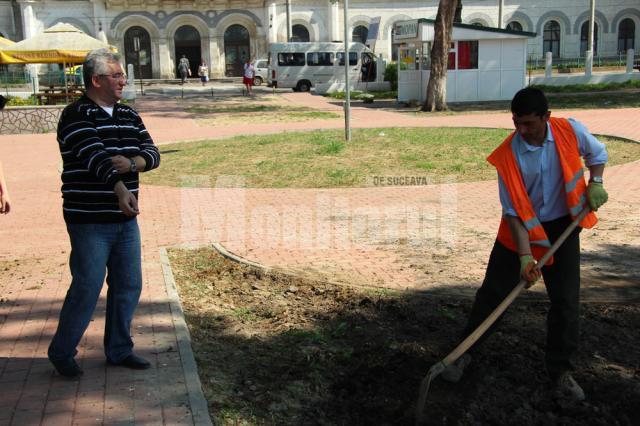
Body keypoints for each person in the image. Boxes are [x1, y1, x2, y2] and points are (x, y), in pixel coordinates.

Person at [442, 87, 608, 402]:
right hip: (519, 231)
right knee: (493, 295)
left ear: (546, 116)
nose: (521, 130)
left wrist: (595, 182)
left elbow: (597, 155)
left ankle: (560, 374)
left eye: (529, 123)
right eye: (516, 122)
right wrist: (524, 257)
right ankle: (463, 353)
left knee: (565, 303)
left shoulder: (569, 130)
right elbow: (514, 213)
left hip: (563, 228)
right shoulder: (509, 154)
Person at [48, 48, 161, 377]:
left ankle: (119, 349)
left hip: (126, 221)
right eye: (117, 75)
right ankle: (62, 351)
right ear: (95, 80)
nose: (123, 81)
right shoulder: (76, 115)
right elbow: (95, 157)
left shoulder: (128, 115)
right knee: (87, 286)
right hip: (90, 220)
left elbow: (152, 152)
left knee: (128, 285)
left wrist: (134, 163)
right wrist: (120, 186)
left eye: (123, 75)